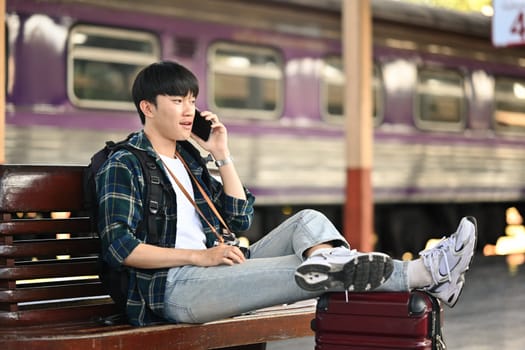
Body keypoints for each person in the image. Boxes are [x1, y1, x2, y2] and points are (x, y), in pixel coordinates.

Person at [96, 61, 477, 326]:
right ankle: (424, 271)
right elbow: (121, 247)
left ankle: (335, 265)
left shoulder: (191, 161)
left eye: (192, 101)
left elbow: (239, 218)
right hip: (172, 288)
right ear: (147, 107)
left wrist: (221, 154)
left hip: (219, 267)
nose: (187, 110)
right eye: (177, 101)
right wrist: (202, 256)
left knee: (308, 221)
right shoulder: (125, 164)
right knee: (310, 270)